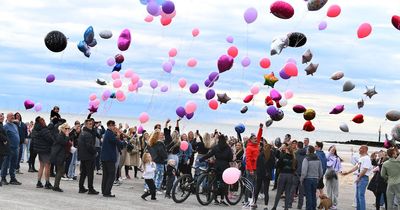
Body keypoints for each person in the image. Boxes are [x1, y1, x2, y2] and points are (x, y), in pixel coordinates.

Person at [199, 134, 233, 206]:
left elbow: (209, 154)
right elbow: (230, 158)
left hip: (216, 165)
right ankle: (222, 199)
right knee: (224, 183)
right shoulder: (228, 148)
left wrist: (201, 159)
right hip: (224, 166)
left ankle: (215, 199)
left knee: (214, 182)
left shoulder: (216, 147)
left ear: (219, 140)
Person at [341, 145, 372, 210]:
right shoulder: (361, 158)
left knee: (361, 196)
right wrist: (347, 172)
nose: (359, 150)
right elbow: (356, 167)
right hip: (360, 177)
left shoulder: (367, 158)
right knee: (357, 196)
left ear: (365, 150)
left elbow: (365, 169)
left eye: (360, 148)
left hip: (363, 178)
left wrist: (359, 178)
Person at [101, 120, 125, 197]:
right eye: (113, 125)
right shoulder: (110, 134)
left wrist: (118, 135)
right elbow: (119, 143)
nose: (115, 127)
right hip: (109, 158)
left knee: (106, 175)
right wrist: (125, 141)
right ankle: (107, 192)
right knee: (111, 175)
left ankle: (104, 191)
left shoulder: (107, 133)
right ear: (110, 126)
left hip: (105, 157)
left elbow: (115, 141)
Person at [271, 143, 296, 210]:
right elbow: (295, 167)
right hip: (290, 176)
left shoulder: (283, 156)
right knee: (287, 192)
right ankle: (286, 208)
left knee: (279, 192)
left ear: (287, 150)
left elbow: (277, 166)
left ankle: (274, 207)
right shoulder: (294, 158)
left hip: (283, 175)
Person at [31, 116, 54, 188]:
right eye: (43, 120)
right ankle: (47, 183)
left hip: (39, 150)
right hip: (46, 150)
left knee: (41, 166)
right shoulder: (44, 130)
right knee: (47, 166)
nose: (44, 121)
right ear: (41, 121)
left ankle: (39, 182)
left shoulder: (35, 129)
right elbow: (51, 139)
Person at [244, 123, 263, 207]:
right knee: (249, 185)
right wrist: (251, 170)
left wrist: (260, 128)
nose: (256, 139)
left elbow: (259, 136)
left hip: (256, 168)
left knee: (254, 185)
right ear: (250, 140)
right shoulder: (249, 147)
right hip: (250, 169)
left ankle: (251, 200)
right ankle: (246, 201)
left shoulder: (256, 144)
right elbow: (247, 159)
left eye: (256, 139)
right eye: (254, 139)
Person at [78, 119, 99, 195]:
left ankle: (81, 187)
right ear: (86, 125)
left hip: (83, 156)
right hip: (88, 156)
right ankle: (90, 189)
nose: (91, 125)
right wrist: (95, 152)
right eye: (90, 124)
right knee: (90, 173)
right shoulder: (87, 134)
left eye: (92, 124)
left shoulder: (82, 133)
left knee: (83, 172)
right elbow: (89, 146)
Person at [1, 113, 22, 185]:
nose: (13, 117)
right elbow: (3, 137)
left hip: (16, 148)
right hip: (9, 148)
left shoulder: (14, 125)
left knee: (14, 164)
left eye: (13, 116)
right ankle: (3, 178)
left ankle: (12, 178)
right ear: (7, 117)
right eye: (11, 116)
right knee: (6, 163)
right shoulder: (5, 126)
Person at [300, 145, 323, 210]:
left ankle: (309, 208)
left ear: (309, 151)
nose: (306, 151)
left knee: (308, 196)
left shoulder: (306, 159)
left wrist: (301, 179)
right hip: (315, 179)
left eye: (307, 150)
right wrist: (318, 178)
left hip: (308, 179)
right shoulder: (318, 159)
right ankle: (313, 208)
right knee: (313, 195)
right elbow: (321, 171)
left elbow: (304, 171)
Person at [254, 142, 276, 209]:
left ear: (264, 148)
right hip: (267, 174)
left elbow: (257, 165)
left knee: (257, 189)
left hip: (260, 174)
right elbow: (273, 166)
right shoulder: (272, 155)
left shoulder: (260, 155)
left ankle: (254, 203)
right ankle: (265, 206)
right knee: (266, 191)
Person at [50, 123, 71, 192]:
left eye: (68, 129)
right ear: (62, 129)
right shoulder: (60, 135)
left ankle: (56, 186)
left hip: (61, 155)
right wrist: (67, 136)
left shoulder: (62, 135)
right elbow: (64, 143)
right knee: (60, 171)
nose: (67, 130)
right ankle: (56, 186)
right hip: (58, 155)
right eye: (66, 128)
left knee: (60, 170)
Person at [148, 129, 168, 193]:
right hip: (159, 161)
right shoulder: (160, 143)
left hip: (153, 161)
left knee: (153, 176)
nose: (162, 136)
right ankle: (156, 189)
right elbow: (162, 152)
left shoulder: (151, 142)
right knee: (159, 176)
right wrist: (166, 156)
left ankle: (151, 188)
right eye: (161, 135)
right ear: (158, 136)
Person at [290, 141, 307, 210]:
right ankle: (299, 206)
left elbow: (293, 164)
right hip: (303, 175)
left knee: (292, 189)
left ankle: (289, 204)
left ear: (297, 146)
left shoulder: (295, 154)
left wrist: (293, 170)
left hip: (296, 174)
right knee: (301, 192)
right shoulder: (306, 155)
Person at [325, 145, 343, 209]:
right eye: (332, 149)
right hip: (328, 172)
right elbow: (326, 159)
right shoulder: (327, 155)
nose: (333, 151)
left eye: (334, 150)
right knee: (328, 189)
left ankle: (334, 204)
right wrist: (331, 151)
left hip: (335, 173)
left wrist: (340, 171)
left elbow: (340, 166)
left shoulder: (337, 158)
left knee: (335, 189)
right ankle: (329, 203)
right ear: (330, 150)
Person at [0, 113, 10, 187]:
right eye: (0, 116)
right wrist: (5, 139)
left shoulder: (1, 125)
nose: (2, 117)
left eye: (2, 116)